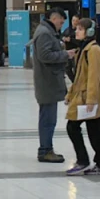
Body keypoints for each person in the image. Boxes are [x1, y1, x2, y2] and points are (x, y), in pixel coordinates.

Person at [64, 18, 100, 175]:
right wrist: (70, 93)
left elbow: (94, 76)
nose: (76, 31)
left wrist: (91, 99)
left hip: (88, 97)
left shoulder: (93, 50)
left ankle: (83, 161)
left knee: (73, 127)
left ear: (89, 32)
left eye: (80, 29)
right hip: (82, 94)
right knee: (94, 128)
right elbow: (78, 76)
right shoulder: (83, 49)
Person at [31, 9, 70, 163]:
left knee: (47, 117)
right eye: (61, 22)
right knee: (48, 118)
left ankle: (47, 148)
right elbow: (45, 55)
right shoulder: (45, 33)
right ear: (54, 18)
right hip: (47, 82)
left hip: (48, 81)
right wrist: (66, 55)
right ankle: (45, 150)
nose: (61, 25)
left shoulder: (46, 31)